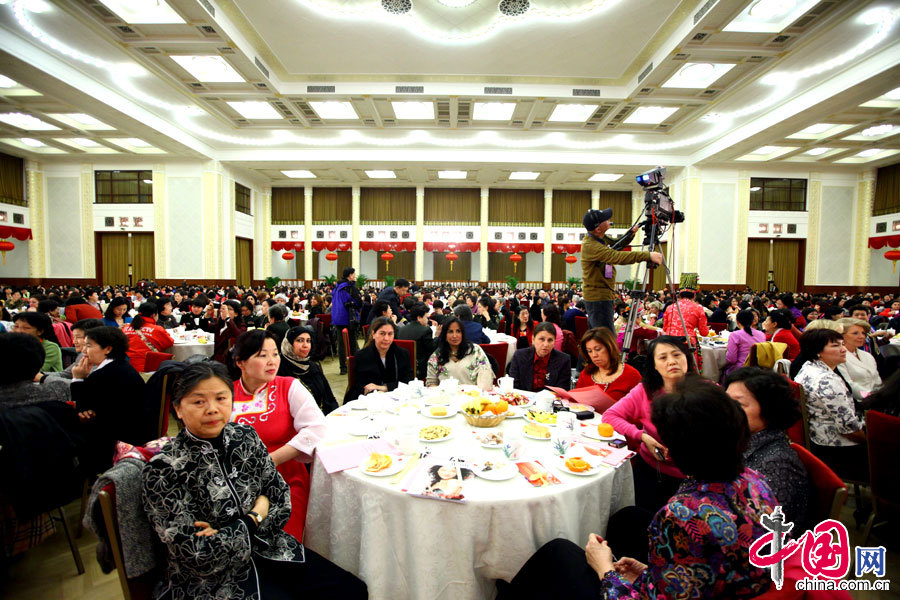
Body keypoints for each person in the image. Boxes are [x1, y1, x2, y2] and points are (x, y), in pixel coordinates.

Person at [499, 377, 776, 600]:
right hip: (720, 583)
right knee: (626, 516)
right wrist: (647, 572)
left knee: (557, 552)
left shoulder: (683, 515)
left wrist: (605, 569)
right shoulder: (754, 480)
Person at [143, 361, 366, 600]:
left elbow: (280, 497)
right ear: (177, 408)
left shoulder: (245, 438)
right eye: (198, 402)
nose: (212, 409)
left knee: (352, 588)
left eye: (221, 398)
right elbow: (196, 555)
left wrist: (226, 532)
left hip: (269, 548)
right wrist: (255, 515)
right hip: (212, 581)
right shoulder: (163, 469)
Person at [230, 330, 327, 540]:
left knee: (282, 538)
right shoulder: (225, 394)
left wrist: (270, 460)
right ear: (240, 362)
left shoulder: (288, 386)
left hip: (285, 477)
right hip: (239, 481)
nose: (272, 361)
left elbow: (317, 428)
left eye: (275, 354)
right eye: (262, 355)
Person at [603, 336, 695, 511]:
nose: (671, 362)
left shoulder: (707, 391)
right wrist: (642, 436)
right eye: (663, 357)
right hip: (650, 472)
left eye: (677, 355)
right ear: (654, 364)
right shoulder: (645, 391)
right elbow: (610, 416)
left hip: (693, 480)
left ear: (686, 358)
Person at [724, 367, 811, 531]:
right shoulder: (742, 441)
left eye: (738, 404)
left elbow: (763, 532)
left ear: (768, 410)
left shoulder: (777, 464)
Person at [71, 326, 150, 472]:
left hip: (115, 442)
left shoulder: (103, 375)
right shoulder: (122, 367)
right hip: (135, 433)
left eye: (89, 346)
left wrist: (77, 378)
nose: (83, 351)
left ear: (107, 349)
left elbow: (81, 406)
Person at [794, 329, 867, 482]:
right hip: (836, 447)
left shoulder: (808, 367)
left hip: (820, 437)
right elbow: (849, 430)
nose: (843, 349)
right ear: (817, 351)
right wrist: (874, 442)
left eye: (842, 344)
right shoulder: (826, 380)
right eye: (835, 346)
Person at [580, 208, 660, 332]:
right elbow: (617, 256)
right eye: (605, 219)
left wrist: (630, 234)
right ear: (598, 229)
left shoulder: (598, 238)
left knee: (601, 334)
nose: (609, 219)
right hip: (598, 298)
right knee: (605, 336)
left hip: (602, 295)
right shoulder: (591, 246)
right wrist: (647, 255)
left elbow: (616, 245)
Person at [345, 317, 414, 401]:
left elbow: (408, 381)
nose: (386, 338)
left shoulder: (402, 354)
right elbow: (361, 385)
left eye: (390, 334)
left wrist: (383, 388)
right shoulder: (361, 356)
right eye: (382, 333)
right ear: (373, 334)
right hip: (369, 401)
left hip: (398, 400)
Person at [278, 326, 339, 415]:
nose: (306, 345)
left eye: (308, 341)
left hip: (324, 418)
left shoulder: (313, 367)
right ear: (289, 344)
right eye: (299, 340)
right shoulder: (280, 370)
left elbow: (330, 397)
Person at [575, 327, 642, 403]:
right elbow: (576, 402)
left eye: (598, 349)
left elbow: (641, 408)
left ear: (610, 347)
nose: (594, 355)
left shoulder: (631, 375)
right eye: (589, 351)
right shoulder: (586, 373)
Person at [425, 316, 494, 390]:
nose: (455, 336)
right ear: (445, 335)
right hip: (446, 399)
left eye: (458, 331)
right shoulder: (437, 356)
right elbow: (431, 383)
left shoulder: (475, 351)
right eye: (450, 332)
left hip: (472, 398)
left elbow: (486, 379)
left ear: (462, 334)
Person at [508, 322, 571, 393]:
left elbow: (562, 390)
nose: (546, 344)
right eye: (542, 339)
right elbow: (514, 386)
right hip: (524, 401)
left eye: (550, 340)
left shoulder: (563, 360)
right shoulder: (520, 356)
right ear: (533, 339)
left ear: (554, 342)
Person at [43, 318, 105, 383]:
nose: (74, 341)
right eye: (73, 337)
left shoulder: (104, 362)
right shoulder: (82, 355)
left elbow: (85, 386)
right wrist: (39, 375)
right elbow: (65, 375)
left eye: (78, 337)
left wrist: (43, 378)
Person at [122, 302, 174, 372]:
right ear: (153, 315)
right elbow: (169, 342)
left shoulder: (126, 327)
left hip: (124, 367)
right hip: (145, 369)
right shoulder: (157, 329)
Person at [836, 317, 882, 395]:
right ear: (841, 335)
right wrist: (869, 396)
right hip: (857, 401)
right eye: (855, 333)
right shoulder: (837, 357)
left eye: (863, 333)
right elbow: (848, 385)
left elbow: (877, 380)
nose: (862, 336)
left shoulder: (867, 355)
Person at [332, 267, 362, 375]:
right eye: (354, 274)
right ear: (349, 275)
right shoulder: (349, 287)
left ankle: (343, 368)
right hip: (349, 318)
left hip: (337, 318)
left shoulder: (336, 287)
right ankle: (354, 366)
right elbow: (358, 303)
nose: (355, 276)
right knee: (352, 343)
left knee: (341, 344)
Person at [397, 302, 437, 380]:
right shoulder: (426, 330)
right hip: (420, 369)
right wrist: (437, 337)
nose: (427, 320)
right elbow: (432, 349)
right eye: (426, 318)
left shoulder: (401, 329)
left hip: (402, 368)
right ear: (419, 318)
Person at [723, 309, 766, 378]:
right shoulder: (761, 334)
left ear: (737, 321)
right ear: (752, 321)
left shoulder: (735, 335)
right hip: (757, 369)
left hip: (740, 370)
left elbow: (731, 359)